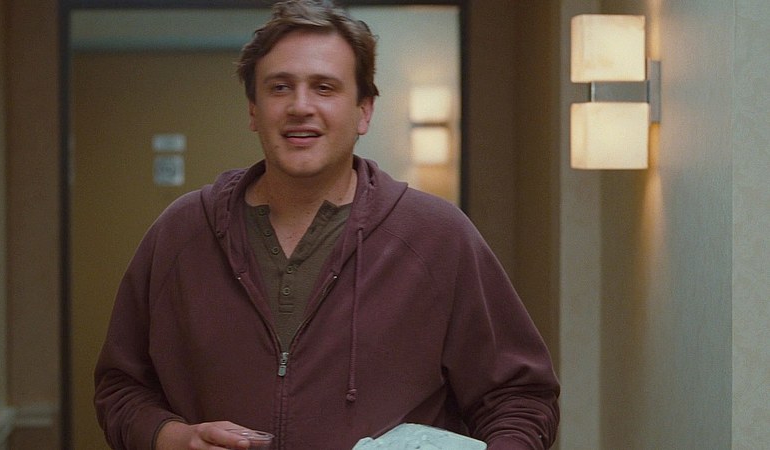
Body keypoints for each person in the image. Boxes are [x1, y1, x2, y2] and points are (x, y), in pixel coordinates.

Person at [93, 1, 560, 449]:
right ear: (253, 110)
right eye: (279, 87)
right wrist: (169, 437)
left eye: (324, 87)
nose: (300, 106)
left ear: (364, 110)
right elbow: (120, 387)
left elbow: (519, 398)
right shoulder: (180, 234)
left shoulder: (437, 237)